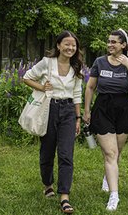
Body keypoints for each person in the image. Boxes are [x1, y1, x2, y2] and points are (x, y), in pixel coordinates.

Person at [23, 30, 83, 214]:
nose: (70, 48)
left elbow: (77, 93)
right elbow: (26, 77)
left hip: (68, 112)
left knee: (66, 153)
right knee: (47, 151)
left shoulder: (76, 67)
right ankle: (47, 184)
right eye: (66, 44)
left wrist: (78, 117)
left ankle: (64, 196)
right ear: (58, 45)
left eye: (73, 45)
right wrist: (42, 86)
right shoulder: (47, 63)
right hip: (49, 109)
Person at [83, 29, 128, 211]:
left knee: (117, 151)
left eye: (114, 42)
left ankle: (108, 176)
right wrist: (87, 110)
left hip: (124, 107)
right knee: (110, 153)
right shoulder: (100, 62)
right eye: (108, 41)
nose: (109, 45)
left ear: (123, 45)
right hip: (103, 106)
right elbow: (90, 86)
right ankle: (114, 196)